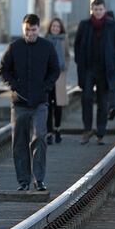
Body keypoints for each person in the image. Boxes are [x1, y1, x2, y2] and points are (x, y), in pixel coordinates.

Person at [0, 14, 60, 192]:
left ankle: (39, 179)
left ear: (38, 29)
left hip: (40, 102)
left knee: (39, 137)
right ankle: (23, 181)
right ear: (22, 29)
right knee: (19, 142)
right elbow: (3, 70)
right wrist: (14, 85)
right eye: (27, 30)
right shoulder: (14, 47)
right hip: (19, 103)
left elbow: (54, 70)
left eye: (33, 30)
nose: (30, 33)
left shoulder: (46, 47)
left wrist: (46, 87)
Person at [74, 0, 115, 145]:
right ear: (92, 10)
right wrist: (79, 60)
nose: (98, 12)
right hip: (88, 68)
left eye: (100, 9)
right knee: (87, 98)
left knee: (103, 101)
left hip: (105, 70)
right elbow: (77, 44)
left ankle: (100, 133)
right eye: (95, 9)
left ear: (105, 10)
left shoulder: (112, 25)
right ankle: (87, 130)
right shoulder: (84, 25)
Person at [44, 17, 70, 145]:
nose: (55, 28)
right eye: (53, 26)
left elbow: (67, 55)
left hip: (60, 76)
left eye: (57, 27)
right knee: (47, 105)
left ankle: (58, 129)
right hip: (48, 77)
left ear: (61, 28)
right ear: (50, 27)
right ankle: (49, 132)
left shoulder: (64, 39)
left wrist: (65, 67)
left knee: (58, 105)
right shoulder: (45, 40)